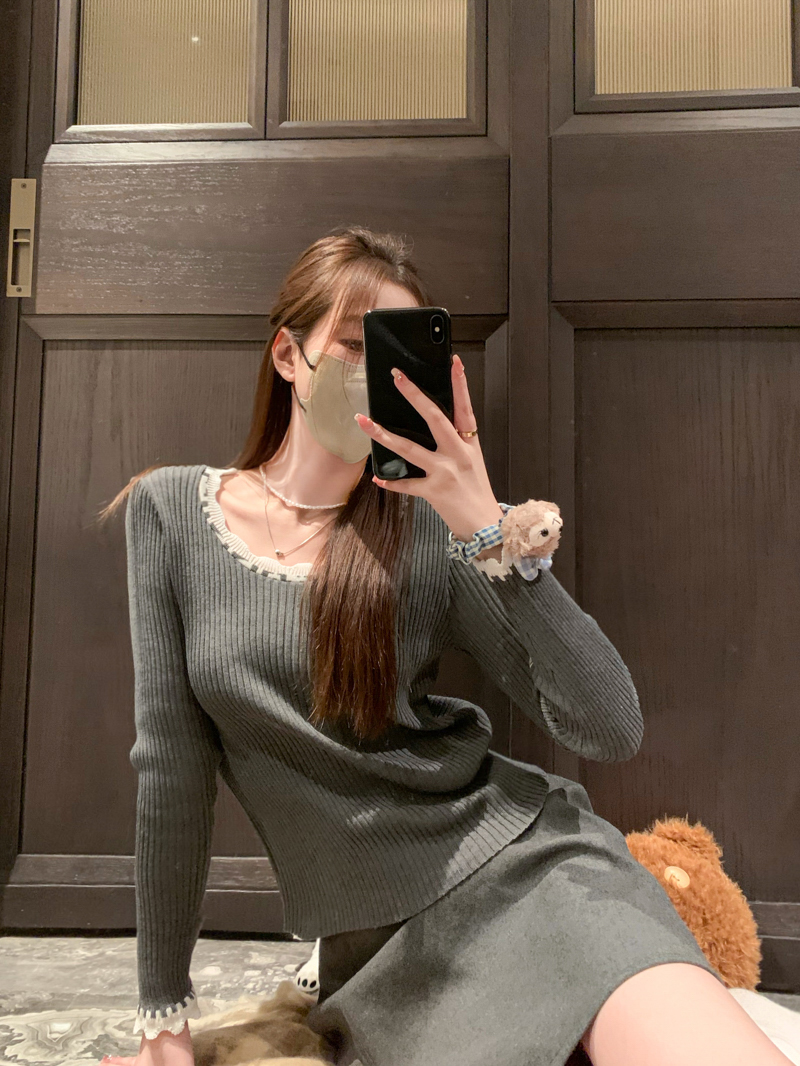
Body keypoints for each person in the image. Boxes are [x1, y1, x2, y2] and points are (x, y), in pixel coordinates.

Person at [98, 227, 791, 1066]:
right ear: (288, 355)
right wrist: (162, 1022)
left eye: (397, 357)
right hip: (384, 954)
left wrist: (486, 526)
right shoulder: (172, 514)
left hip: (538, 873)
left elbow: (609, 727)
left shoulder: (433, 530)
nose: (374, 377)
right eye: (354, 347)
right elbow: (170, 774)